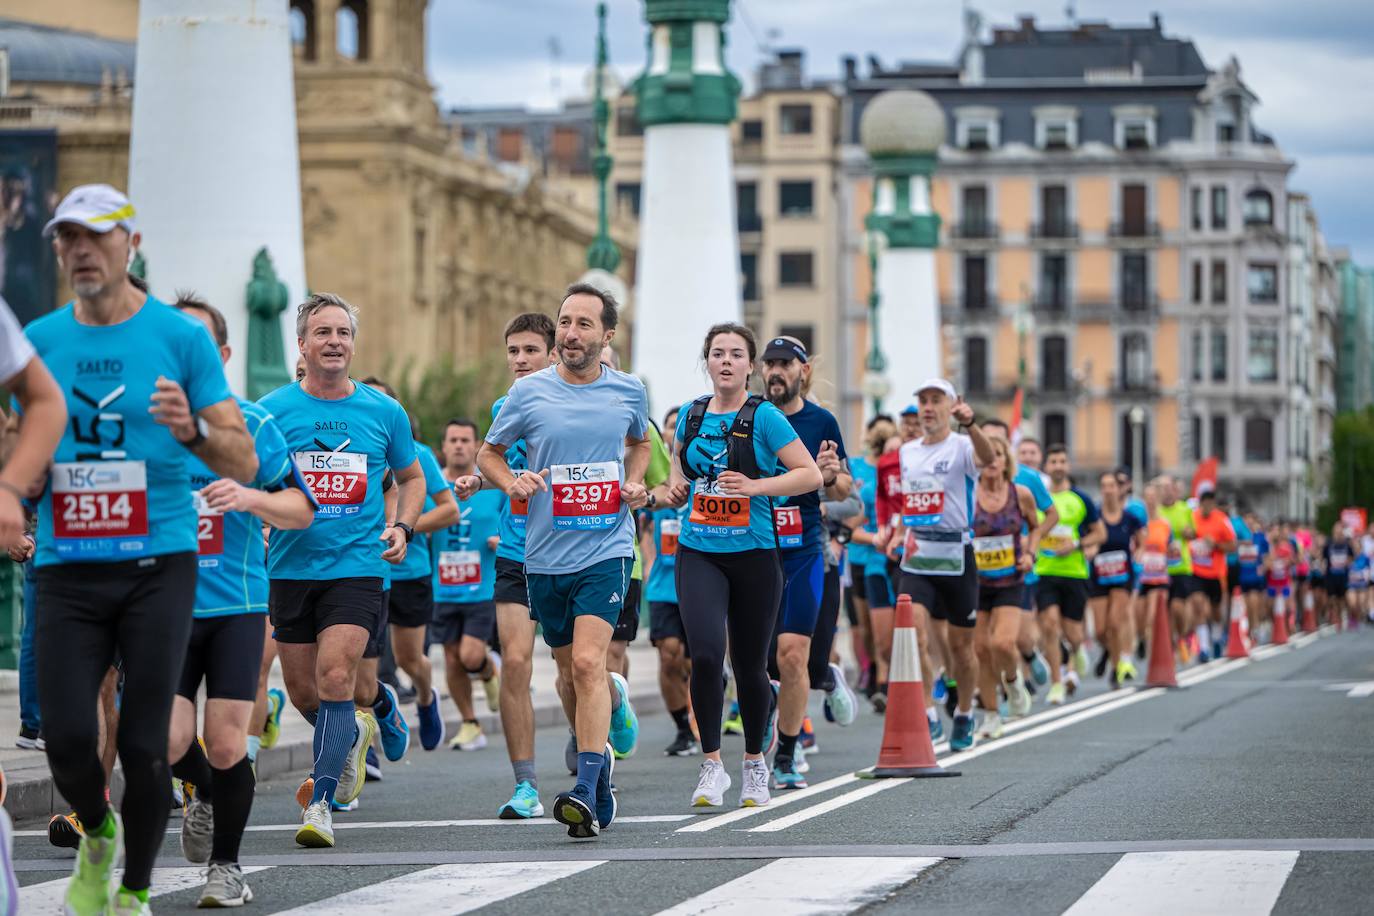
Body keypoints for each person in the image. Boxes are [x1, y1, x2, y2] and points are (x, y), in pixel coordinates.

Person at [26, 184, 256, 916]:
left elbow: (243, 460)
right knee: (65, 737)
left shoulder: (180, 339)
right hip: (66, 565)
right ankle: (97, 833)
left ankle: (130, 890)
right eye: (68, 238)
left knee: (145, 741)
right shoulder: (40, 340)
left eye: (96, 236)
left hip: (158, 566)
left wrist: (191, 431)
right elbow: (16, 440)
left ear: (132, 243)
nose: (80, 250)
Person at [478, 283, 650, 839]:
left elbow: (640, 442)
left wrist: (634, 480)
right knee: (568, 675)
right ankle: (598, 782)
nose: (572, 333)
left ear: (607, 334)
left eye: (583, 324)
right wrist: (513, 482)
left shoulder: (628, 391)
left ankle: (588, 784)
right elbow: (489, 454)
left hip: (608, 546)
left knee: (587, 664)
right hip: (546, 555)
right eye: (566, 322)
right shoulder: (527, 396)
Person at [166, 295, 316, 907]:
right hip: (163, 608)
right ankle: (204, 794)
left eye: (198, 346)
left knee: (227, 743)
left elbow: (302, 510)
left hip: (236, 607)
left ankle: (226, 868)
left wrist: (251, 499)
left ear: (222, 355)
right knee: (167, 741)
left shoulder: (252, 425)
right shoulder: (140, 430)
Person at [259, 293, 425, 849]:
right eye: (322, 333)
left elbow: (413, 476)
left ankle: (323, 803)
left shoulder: (384, 412)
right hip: (289, 568)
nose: (334, 341)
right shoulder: (271, 411)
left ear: (353, 345)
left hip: (357, 567)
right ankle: (375, 706)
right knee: (307, 694)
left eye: (343, 333)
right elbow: (253, 480)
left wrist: (401, 527)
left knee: (335, 678)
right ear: (301, 345)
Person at [665, 322, 821, 807]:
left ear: (749, 366)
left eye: (736, 354)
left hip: (754, 554)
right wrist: (670, 489)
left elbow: (809, 474)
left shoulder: (767, 416)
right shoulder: (691, 415)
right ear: (707, 362)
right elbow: (680, 471)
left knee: (750, 665)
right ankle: (712, 765)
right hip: (699, 552)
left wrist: (756, 487)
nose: (727, 361)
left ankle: (755, 762)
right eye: (718, 353)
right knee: (706, 655)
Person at [758, 336, 855, 790]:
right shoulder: (751, 418)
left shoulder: (821, 421)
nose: (776, 372)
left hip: (804, 551)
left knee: (793, 655)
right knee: (757, 662)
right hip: (754, 550)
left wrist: (831, 477)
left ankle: (788, 753)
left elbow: (844, 492)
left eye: (785, 364)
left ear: (803, 372)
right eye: (770, 364)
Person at [884, 379, 995, 751]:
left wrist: (972, 424)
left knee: (962, 649)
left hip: (956, 554)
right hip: (918, 553)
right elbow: (911, 501)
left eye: (935, 401)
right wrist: (900, 532)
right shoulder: (908, 451)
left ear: (950, 407)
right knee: (912, 635)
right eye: (923, 401)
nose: (928, 408)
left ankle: (964, 712)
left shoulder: (963, 444)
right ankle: (928, 714)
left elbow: (989, 459)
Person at [362, 380, 459, 752]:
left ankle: (425, 697)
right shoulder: (353, 447)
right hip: (364, 571)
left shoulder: (416, 454)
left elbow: (449, 509)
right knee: (357, 665)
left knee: (408, 659)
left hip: (409, 572)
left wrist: (404, 527)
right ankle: (363, 753)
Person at [433, 418, 503, 750]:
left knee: (470, 655)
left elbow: (516, 522)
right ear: (444, 447)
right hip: (442, 586)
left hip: (483, 587)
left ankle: (489, 670)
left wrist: (501, 539)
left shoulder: (490, 485)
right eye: (453, 439)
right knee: (450, 659)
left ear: (476, 446)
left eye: (465, 440)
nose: (459, 445)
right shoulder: (433, 487)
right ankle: (469, 723)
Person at [979, 420, 1057, 694]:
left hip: (1018, 568)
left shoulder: (1027, 479)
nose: (991, 452)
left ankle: (1030, 656)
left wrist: (1029, 545)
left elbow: (1051, 515)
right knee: (985, 641)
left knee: (1017, 636)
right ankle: (1001, 690)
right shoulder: (971, 483)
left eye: (998, 445)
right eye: (985, 443)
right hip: (980, 574)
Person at [971, 435, 1040, 738]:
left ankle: (1013, 682)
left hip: (1010, 579)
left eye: (997, 455)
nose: (991, 461)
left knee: (1002, 643)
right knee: (981, 649)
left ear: (1005, 461)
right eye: (986, 456)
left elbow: (1036, 527)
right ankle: (990, 714)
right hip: (975, 581)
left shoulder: (1020, 494)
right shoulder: (968, 494)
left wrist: (1030, 553)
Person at [1033, 445, 1105, 705]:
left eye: (1063, 461)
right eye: (1053, 462)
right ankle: (1056, 682)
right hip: (1044, 571)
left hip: (1074, 572)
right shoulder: (1038, 498)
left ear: (1068, 466)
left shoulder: (1081, 499)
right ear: (1046, 466)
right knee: (1050, 626)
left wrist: (1076, 544)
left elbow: (1100, 533)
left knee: (1072, 632)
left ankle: (1076, 650)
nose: (1058, 466)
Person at [643, 406, 697, 756]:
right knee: (669, 655)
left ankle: (703, 714)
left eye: (681, 427)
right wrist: (648, 563)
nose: (674, 432)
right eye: (670, 427)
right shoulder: (655, 483)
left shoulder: (702, 476)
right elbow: (644, 524)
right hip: (663, 583)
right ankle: (682, 727)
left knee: (697, 661)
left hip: (698, 580)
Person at [1087, 471, 1145, 686]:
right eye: (1104, 485)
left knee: (1114, 623)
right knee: (1100, 630)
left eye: (1112, 485)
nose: (1108, 490)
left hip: (1122, 576)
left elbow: (1142, 539)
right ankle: (1108, 651)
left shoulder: (1130, 517)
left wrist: (1140, 552)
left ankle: (1115, 667)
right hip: (1099, 576)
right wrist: (1090, 548)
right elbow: (1087, 536)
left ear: (1119, 490)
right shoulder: (1094, 515)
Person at [1190, 488, 1236, 658]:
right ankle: (1203, 647)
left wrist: (1215, 544)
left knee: (1216, 610)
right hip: (1197, 571)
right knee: (1199, 606)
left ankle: (1216, 637)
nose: (1207, 507)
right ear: (1201, 504)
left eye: (1211, 503)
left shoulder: (1222, 520)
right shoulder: (1193, 518)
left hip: (1216, 573)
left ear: (1214, 504)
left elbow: (1232, 546)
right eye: (1205, 503)